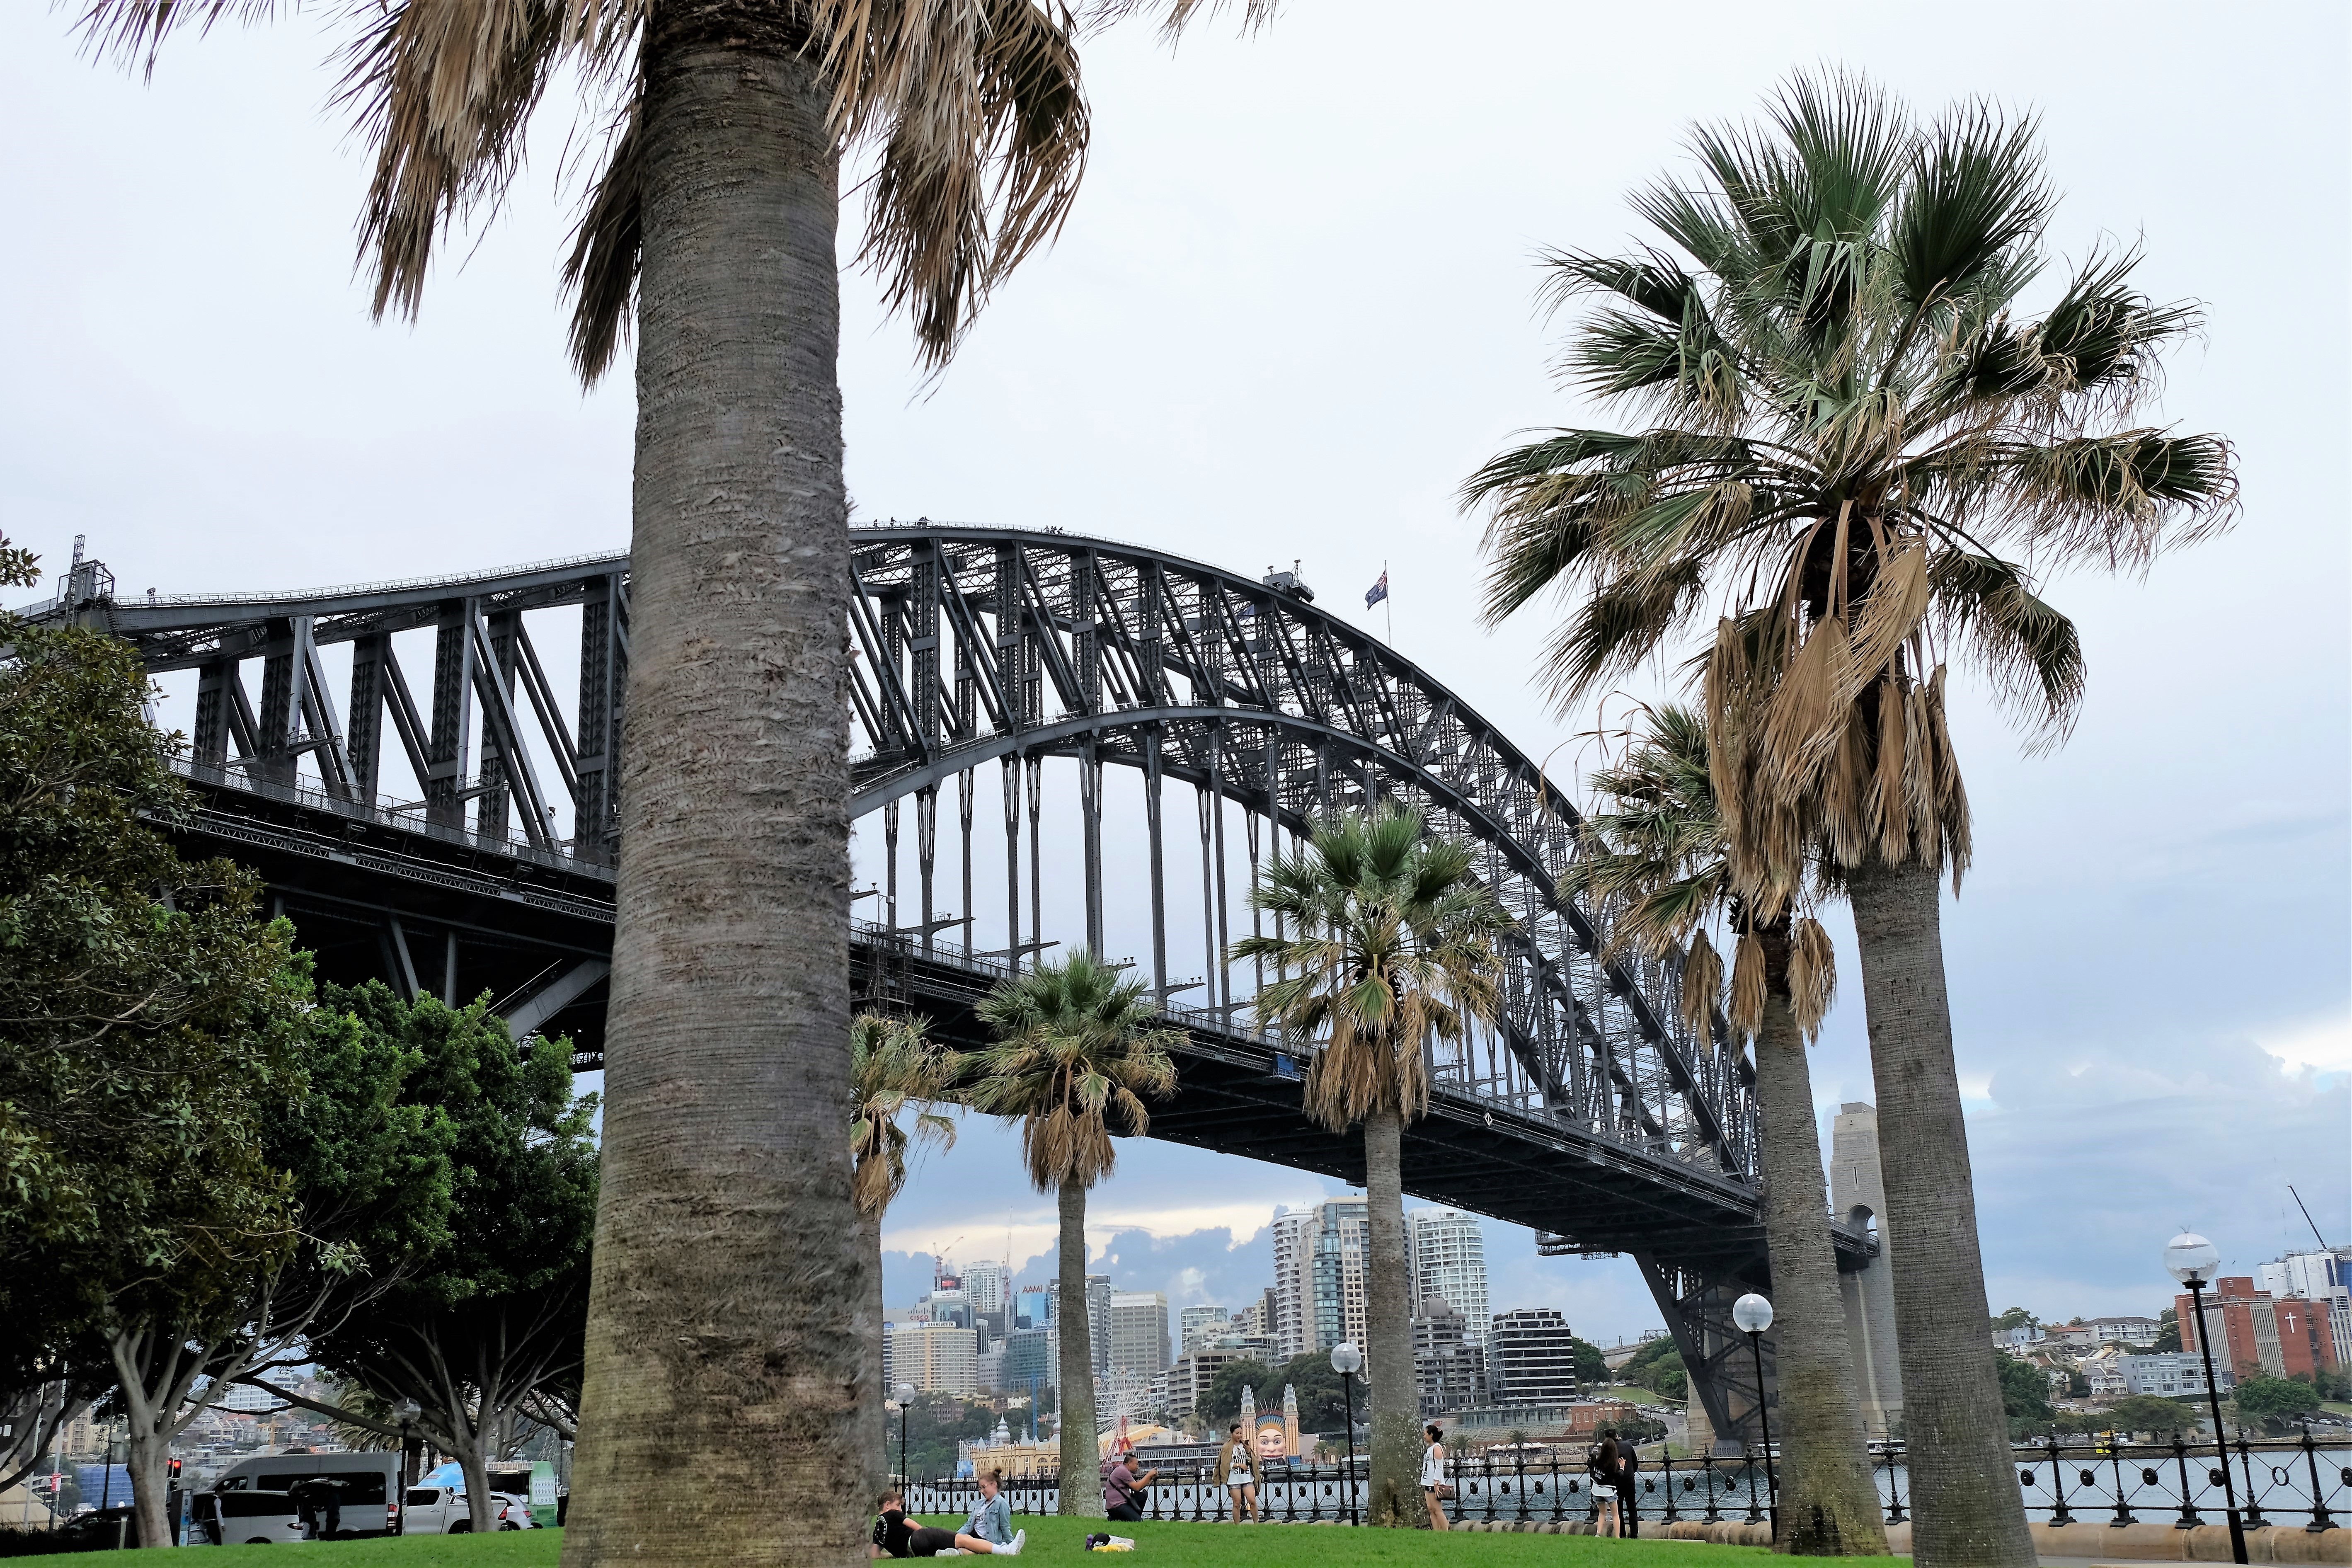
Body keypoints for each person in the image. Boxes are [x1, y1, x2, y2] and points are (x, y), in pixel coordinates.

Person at [870, 1485, 1024, 1558]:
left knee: (960, 1548)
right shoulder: (892, 1514)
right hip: (919, 1539)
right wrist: (929, 1533)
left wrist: (894, 1555)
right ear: (888, 1505)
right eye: (898, 1506)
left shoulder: (878, 1528)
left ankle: (951, 1554)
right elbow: (915, 1526)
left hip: (914, 1552)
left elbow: (875, 1555)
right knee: (964, 1539)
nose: (900, 1510)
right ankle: (1006, 1550)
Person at [1214, 1422, 1258, 1523]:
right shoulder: (1227, 1448)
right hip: (1234, 1479)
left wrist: (1249, 1456)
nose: (1239, 1436)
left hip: (1247, 1477)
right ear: (1232, 1434)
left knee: (1252, 1500)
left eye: (1241, 1433)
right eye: (1237, 1433)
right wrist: (1238, 1465)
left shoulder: (1245, 1446)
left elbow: (1252, 1460)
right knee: (1237, 1503)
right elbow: (1224, 1464)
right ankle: (1237, 1525)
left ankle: (1257, 1523)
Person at [1101, 1447, 1155, 1523]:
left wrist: (1150, 1478)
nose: (1138, 1466)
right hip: (1117, 1505)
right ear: (1130, 1463)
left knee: (1142, 1495)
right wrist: (1149, 1474)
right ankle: (1120, 1517)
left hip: (1120, 1503)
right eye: (1136, 1464)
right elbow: (1137, 1487)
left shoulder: (1122, 1470)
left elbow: (1138, 1487)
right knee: (1137, 1521)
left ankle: (1126, 1516)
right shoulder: (1123, 1471)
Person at [1586, 1428, 1622, 1538]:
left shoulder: (1597, 1461)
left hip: (1597, 1490)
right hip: (1608, 1491)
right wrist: (1623, 1467)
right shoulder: (1612, 1464)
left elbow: (1592, 1467)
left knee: (1602, 1513)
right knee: (1615, 1514)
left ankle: (1598, 1533)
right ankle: (1617, 1537)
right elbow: (1618, 1476)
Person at [1419, 1423, 1451, 1532]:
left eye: (1425, 1434)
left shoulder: (1437, 1448)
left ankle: (1445, 1531)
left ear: (1431, 1435)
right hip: (1427, 1481)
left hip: (1434, 1482)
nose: (1424, 1436)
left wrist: (1437, 1483)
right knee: (1431, 1509)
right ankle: (1437, 1531)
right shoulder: (1430, 1448)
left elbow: (1439, 1467)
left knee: (1437, 1509)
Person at [1613, 1427, 1642, 1540]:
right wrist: (1630, 1473)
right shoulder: (1628, 1445)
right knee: (1632, 1508)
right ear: (1617, 1436)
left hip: (1616, 1483)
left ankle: (1622, 1534)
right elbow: (1636, 1464)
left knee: (1618, 1510)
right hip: (1629, 1480)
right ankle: (1634, 1534)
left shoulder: (1610, 1449)